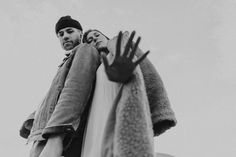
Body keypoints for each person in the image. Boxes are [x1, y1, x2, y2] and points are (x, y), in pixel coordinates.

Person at [19, 16, 149, 157]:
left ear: (80, 34)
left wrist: (56, 136)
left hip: (59, 131)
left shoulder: (87, 50)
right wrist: (33, 120)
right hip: (43, 131)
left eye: (69, 31)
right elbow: (54, 95)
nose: (65, 36)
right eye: (60, 34)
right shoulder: (66, 62)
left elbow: (74, 89)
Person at [81, 30, 177, 157]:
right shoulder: (95, 66)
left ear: (105, 36)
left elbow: (147, 71)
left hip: (121, 109)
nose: (94, 39)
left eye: (96, 35)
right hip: (97, 118)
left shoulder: (121, 47)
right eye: (90, 40)